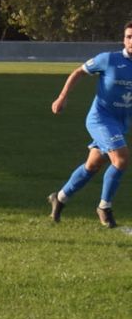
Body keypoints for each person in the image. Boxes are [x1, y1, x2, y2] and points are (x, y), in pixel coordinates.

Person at [45, 21, 132, 229]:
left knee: (92, 165)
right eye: (129, 36)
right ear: (124, 39)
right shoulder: (109, 59)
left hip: (121, 122)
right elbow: (78, 72)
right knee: (121, 159)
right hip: (100, 119)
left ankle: (60, 197)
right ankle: (104, 207)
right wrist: (62, 97)